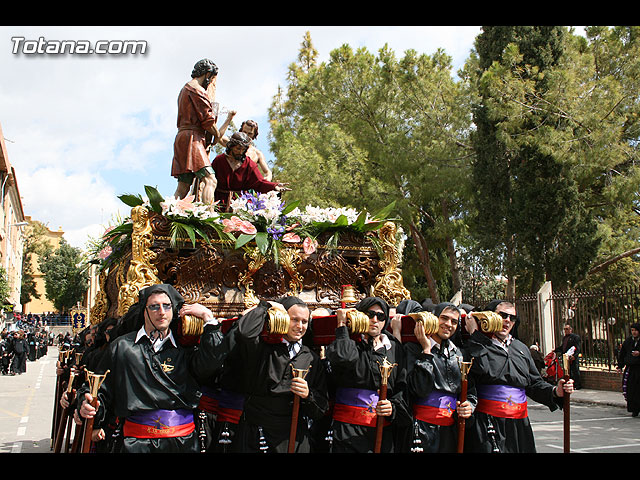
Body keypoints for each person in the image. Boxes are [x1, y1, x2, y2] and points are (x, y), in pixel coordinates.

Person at [78, 283, 228, 453]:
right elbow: (98, 389)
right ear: (144, 311)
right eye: (154, 306)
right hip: (137, 443)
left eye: (166, 306)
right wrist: (86, 404)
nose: (162, 312)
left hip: (182, 442)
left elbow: (212, 363)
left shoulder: (185, 349)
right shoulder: (123, 347)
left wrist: (208, 318)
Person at [462, 299, 574, 453]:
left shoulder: (521, 348)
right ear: (489, 316)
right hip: (488, 422)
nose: (507, 320)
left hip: (519, 425)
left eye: (512, 318)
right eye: (502, 315)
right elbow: (480, 370)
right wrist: (475, 335)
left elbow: (534, 384)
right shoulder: (477, 345)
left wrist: (556, 391)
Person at [232, 296, 329, 453]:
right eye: (294, 320)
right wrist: (265, 306)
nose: (300, 326)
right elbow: (245, 333)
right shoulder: (262, 348)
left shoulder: (311, 358)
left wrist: (307, 395)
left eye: (304, 321)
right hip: (258, 432)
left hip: (293, 435)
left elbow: (321, 407)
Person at [325, 296, 409, 453]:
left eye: (381, 316)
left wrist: (392, 408)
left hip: (382, 429)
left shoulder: (394, 348)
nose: (375, 320)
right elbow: (343, 358)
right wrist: (342, 326)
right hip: (347, 430)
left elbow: (401, 387)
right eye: (370, 314)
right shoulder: (349, 342)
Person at [401, 302, 476, 453]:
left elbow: (470, 390)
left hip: (450, 430)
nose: (448, 324)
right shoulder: (413, 349)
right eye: (444, 318)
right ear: (434, 319)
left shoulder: (460, 355)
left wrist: (470, 405)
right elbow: (418, 389)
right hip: (421, 429)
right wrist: (426, 351)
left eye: (454, 322)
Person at [171, 58, 221, 206]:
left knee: (183, 185)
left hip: (182, 137)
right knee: (210, 179)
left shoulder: (184, 89)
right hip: (193, 139)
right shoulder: (197, 90)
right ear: (207, 74)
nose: (211, 82)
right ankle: (208, 215)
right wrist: (217, 134)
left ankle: (168, 214)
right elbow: (207, 121)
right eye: (211, 78)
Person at [211, 131, 289, 210]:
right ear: (231, 146)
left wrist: (274, 186)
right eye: (238, 149)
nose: (240, 152)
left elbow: (260, 182)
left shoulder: (249, 164)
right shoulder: (219, 160)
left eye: (243, 149)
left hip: (241, 205)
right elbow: (209, 180)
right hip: (219, 203)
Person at [617, 322, 640, 417]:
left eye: (636, 330)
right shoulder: (628, 341)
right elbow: (622, 354)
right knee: (631, 389)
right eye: (632, 330)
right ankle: (634, 409)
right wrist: (620, 365)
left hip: (639, 368)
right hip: (630, 369)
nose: (634, 332)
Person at [555, 323, 582, 389]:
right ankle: (571, 384)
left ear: (570, 330)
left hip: (572, 357)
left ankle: (577, 385)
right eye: (564, 329)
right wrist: (555, 350)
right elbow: (563, 347)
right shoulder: (564, 338)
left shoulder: (575, 337)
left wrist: (574, 356)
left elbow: (578, 348)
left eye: (567, 329)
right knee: (568, 372)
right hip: (566, 357)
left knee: (575, 371)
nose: (565, 330)